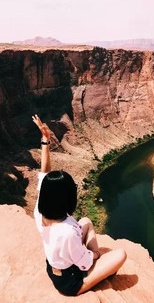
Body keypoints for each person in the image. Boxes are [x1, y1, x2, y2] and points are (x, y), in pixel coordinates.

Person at [32, 115, 127, 296]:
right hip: (70, 282)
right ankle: (95, 274)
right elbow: (85, 262)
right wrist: (97, 256)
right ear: (66, 198)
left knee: (86, 221)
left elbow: (44, 173)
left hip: (53, 266)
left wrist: (45, 141)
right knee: (120, 254)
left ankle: (97, 263)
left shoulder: (40, 208)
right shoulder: (66, 231)